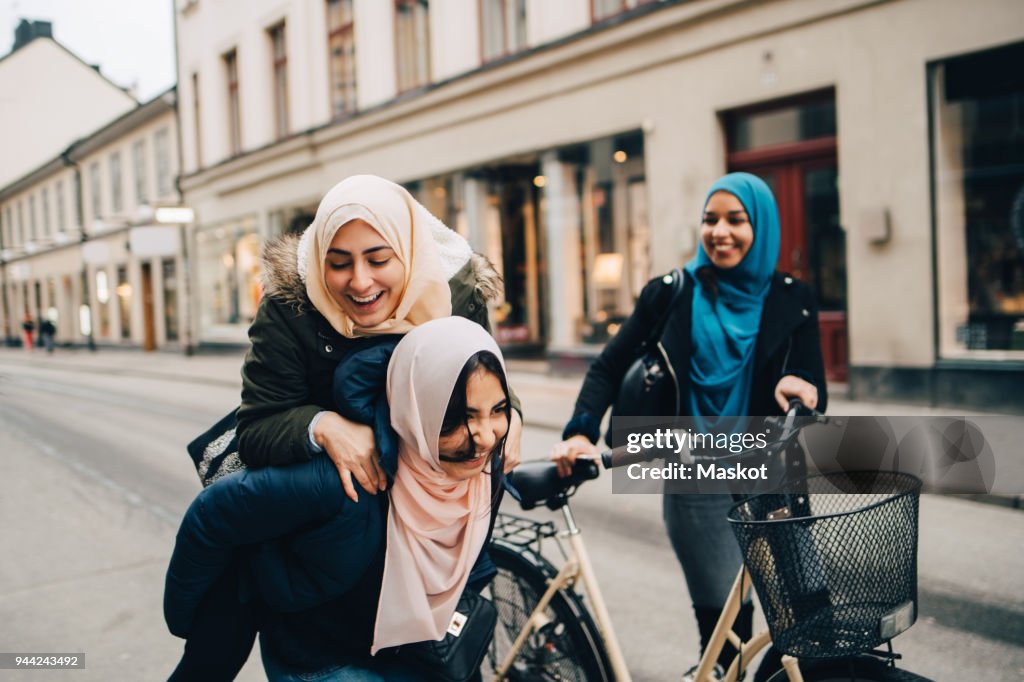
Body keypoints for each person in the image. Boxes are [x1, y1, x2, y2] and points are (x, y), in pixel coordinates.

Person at [550, 172, 827, 681]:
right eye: (710, 219)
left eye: (735, 220)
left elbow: (812, 389)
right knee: (727, 643)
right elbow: (608, 367)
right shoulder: (672, 295)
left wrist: (800, 385)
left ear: (761, 226)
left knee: (813, 625)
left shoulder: (794, 299)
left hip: (773, 479)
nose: (720, 231)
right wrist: (581, 430)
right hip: (694, 479)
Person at [165, 316, 511, 680]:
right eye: (459, 417)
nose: (485, 437)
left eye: (498, 410)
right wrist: (185, 619)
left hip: (408, 653)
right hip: (323, 658)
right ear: (417, 410)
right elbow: (211, 515)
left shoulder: (482, 472)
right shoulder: (342, 479)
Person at [236, 174, 521, 499]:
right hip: (340, 511)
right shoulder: (289, 309)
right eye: (340, 264)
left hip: (440, 506)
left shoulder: (457, 296)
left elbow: (485, 376)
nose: (360, 282)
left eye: (379, 260)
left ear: (410, 252)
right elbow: (255, 429)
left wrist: (512, 413)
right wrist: (321, 426)